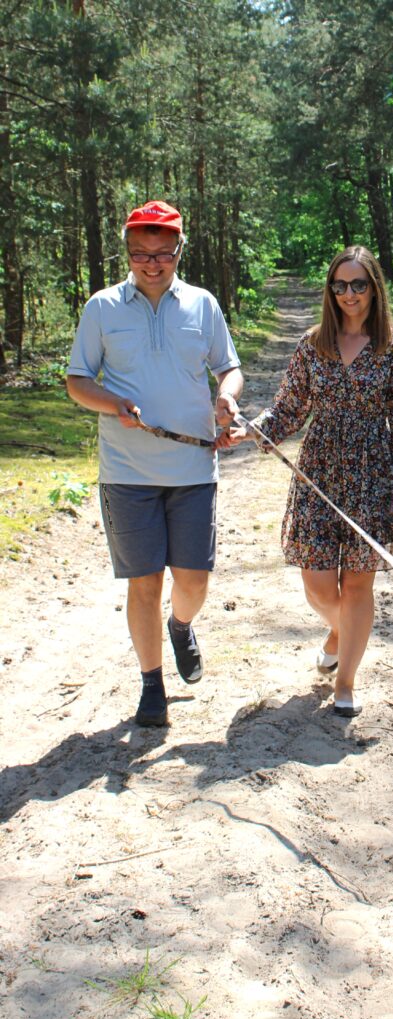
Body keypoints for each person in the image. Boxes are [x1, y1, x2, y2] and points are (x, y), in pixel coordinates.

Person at [218, 245, 393, 717]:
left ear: (374, 288)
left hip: (373, 475)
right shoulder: (313, 344)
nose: (349, 294)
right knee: (317, 586)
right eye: (340, 285)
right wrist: (251, 430)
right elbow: (290, 407)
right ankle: (340, 632)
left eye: (358, 284)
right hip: (319, 473)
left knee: (358, 585)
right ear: (330, 291)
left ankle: (345, 682)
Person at [66, 200, 243, 728]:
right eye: (141, 253)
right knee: (143, 582)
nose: (151, 264)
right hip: (127, 473)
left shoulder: (203, 305)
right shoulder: (102, 308)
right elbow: (78, 381)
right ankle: (151, 685)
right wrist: (112, 403)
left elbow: (229, 368)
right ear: (127, 252)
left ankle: (181, 625)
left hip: (193, 469)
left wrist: (227, 397)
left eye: (163, 253)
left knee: (193, 581)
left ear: (179, 251)